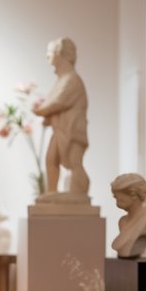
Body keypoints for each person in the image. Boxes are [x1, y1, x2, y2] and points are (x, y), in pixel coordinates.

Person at [31, 37, 90, 198]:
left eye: (50, 53)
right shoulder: (62, 79)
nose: (47, 57)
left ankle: (79, 194)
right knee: (51, 159)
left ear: (59, 54)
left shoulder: (72, 80)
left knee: (74, 162)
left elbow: (58, 103)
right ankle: (52, 192)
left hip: (73, 131)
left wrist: (40, 110)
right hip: (61, 130)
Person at [110, 173, 146, 258]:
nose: (115, 197)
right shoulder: (123, 221)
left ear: (133, 194)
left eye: (118, 194)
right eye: (115, 195)